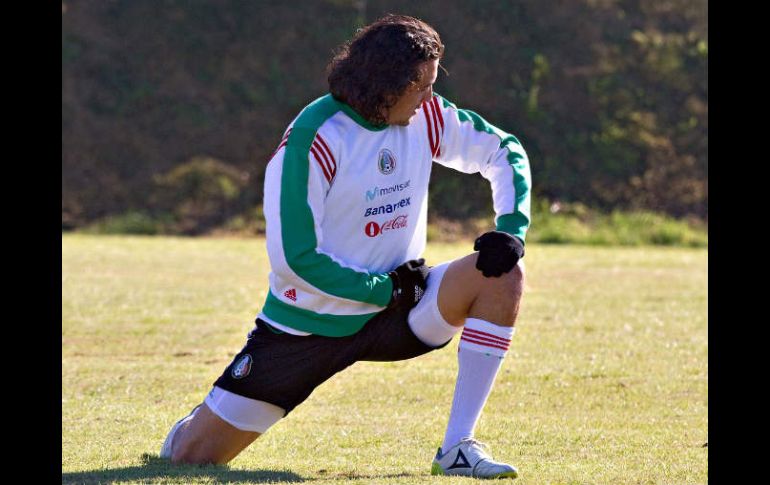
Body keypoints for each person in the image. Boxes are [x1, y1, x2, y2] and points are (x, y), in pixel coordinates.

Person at [160, 13, 531, 479]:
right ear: (386, 84)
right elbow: (296, 260)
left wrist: (511, 229)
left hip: (401, 309)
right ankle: (192, 429)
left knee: (502, 273)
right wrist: (385, 290)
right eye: (421, 86)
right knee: (188, 461)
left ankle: (457, 446)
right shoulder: (314, 140)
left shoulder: (426, 116)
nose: (430, 98)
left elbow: (505, 151)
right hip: (307, 328)